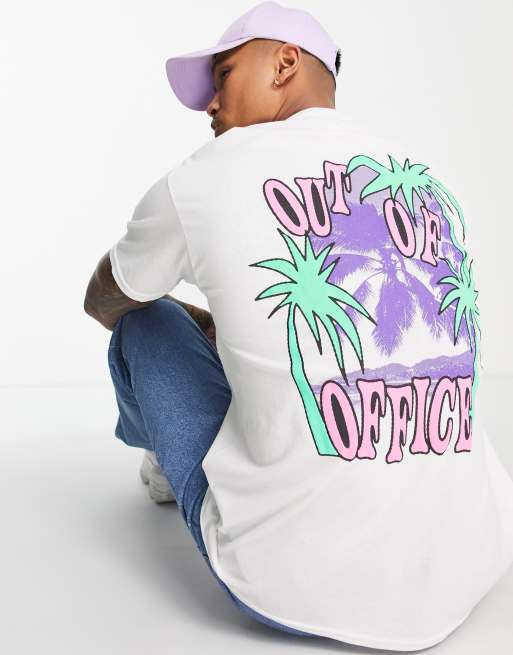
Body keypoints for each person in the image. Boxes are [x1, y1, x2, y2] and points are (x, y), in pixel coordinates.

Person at [84, 1, 513, 649]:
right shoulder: (424, 178)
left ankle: (168, 474)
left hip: (296, 585)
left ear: (284, 62)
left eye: (223, 75)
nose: (209, 104)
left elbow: (106, 299)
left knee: (146, 324)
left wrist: (193, 321)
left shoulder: (205, 176)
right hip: (474, 561)